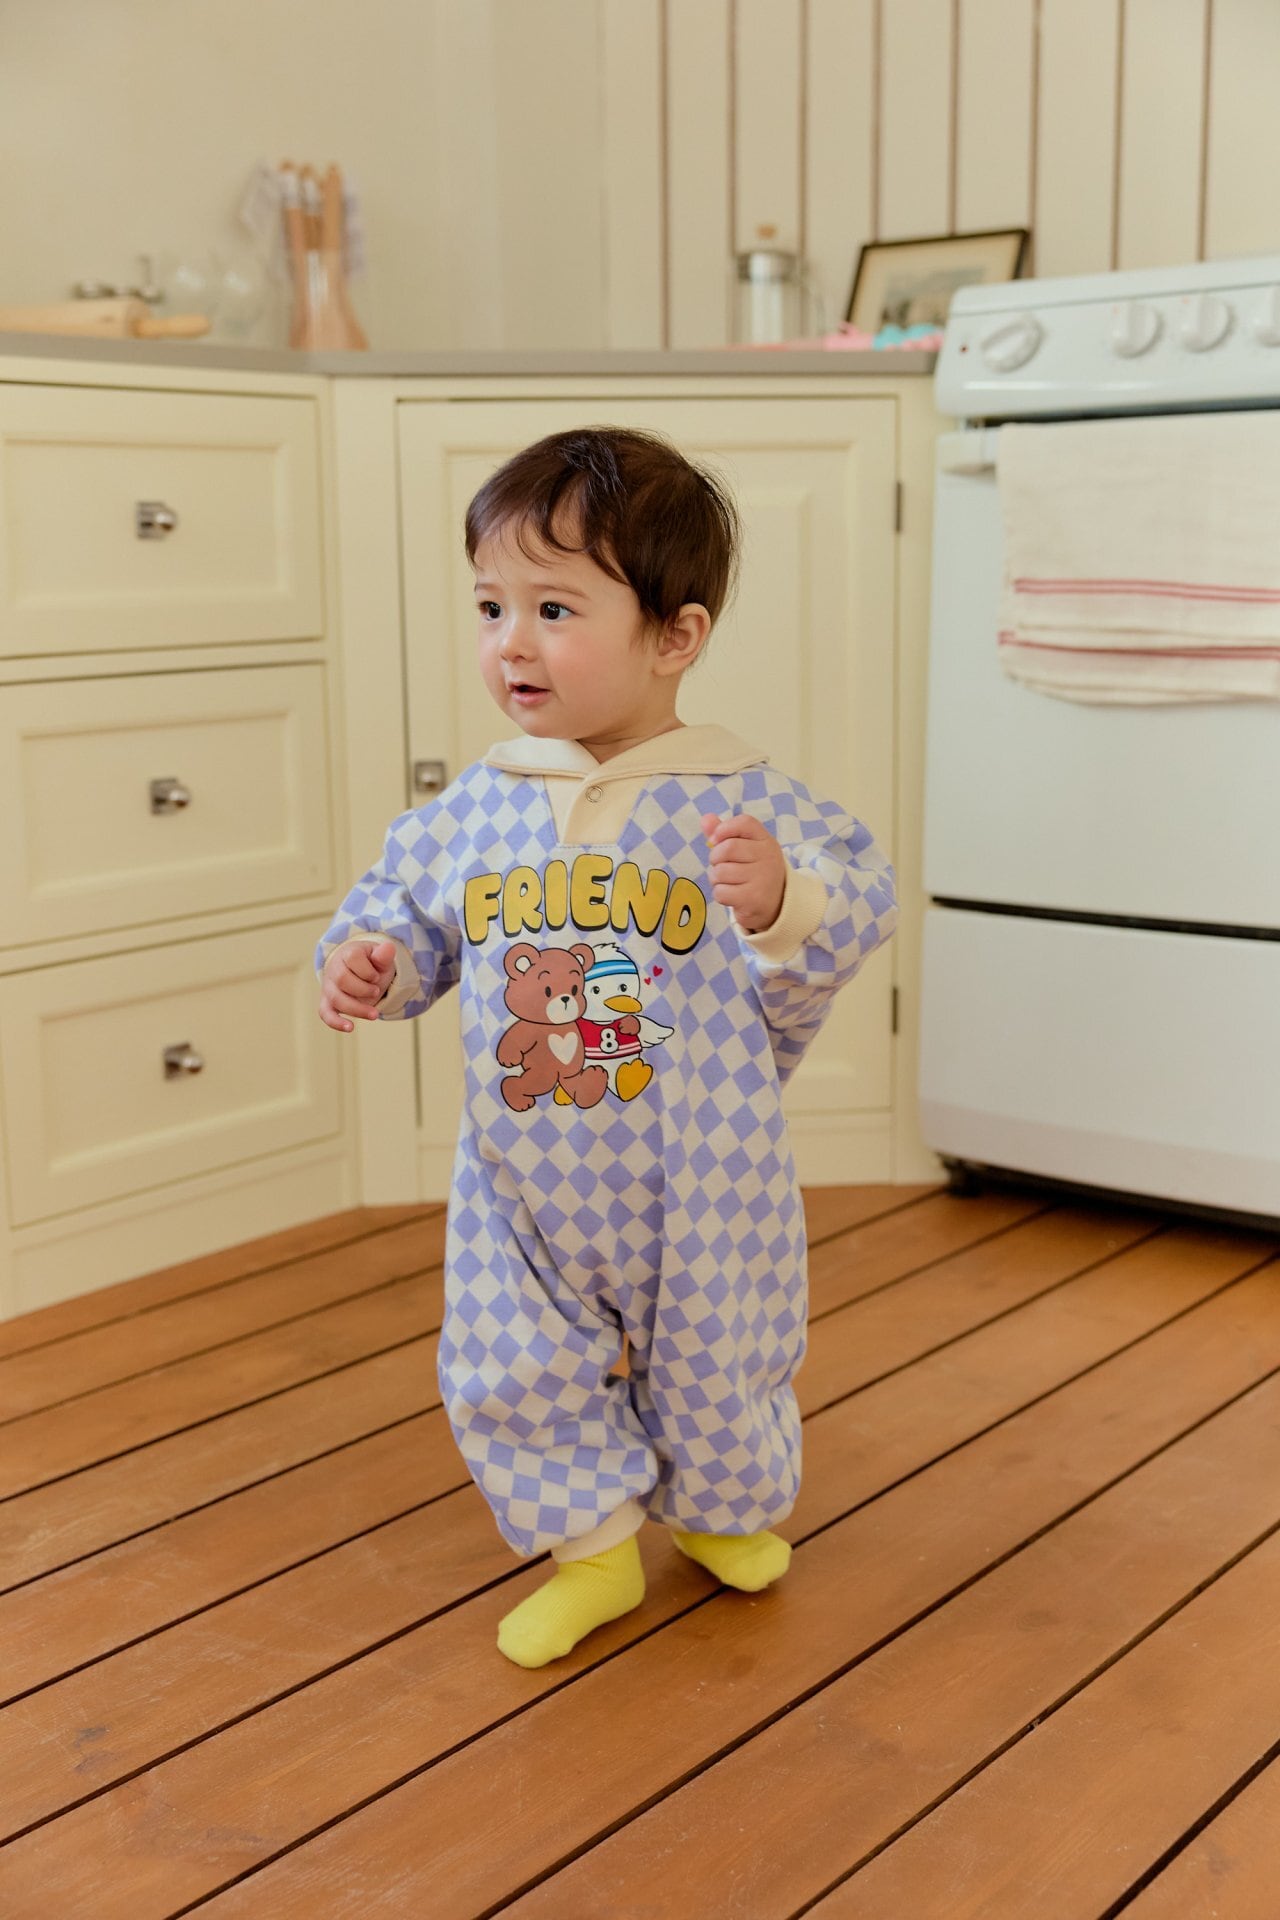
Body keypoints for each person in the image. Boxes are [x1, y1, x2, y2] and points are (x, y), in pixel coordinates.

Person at [316, 426, 897, 1668]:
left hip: (704, 1169)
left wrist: (782, 894)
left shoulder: (735, 796)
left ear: (673, 637)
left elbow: (861, 893)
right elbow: (404, 912)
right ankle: (590, 1553)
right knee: (508, 1360)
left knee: (722, 1350)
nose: (510, 643)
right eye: (490, 606)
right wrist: (372, 960)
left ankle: (722, 1511)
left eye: (554, 609)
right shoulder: (478, 806)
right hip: (522, 1176)